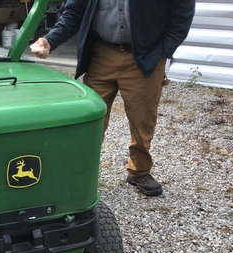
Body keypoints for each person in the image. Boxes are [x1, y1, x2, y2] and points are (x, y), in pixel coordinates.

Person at [30, 0, 195, 196]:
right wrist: (50, 40)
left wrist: (163, 51)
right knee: (88, 119)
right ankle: (78, 173)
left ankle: (139, 171)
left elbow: (181, 14)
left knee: (143, 120)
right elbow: (74, 13)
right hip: (102, 54)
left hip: (145, 56)